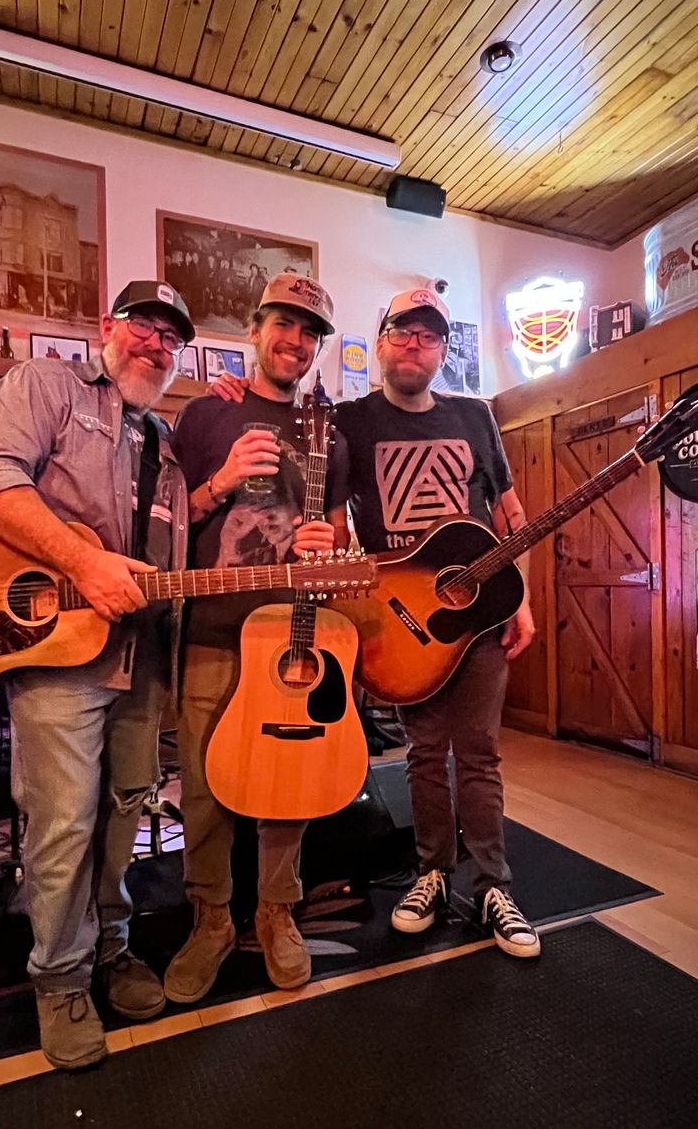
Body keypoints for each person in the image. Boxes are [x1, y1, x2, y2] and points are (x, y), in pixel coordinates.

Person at [0, 281, 194, 1070]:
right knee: (61, 823)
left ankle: (112, 947)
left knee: (126, 812)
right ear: (106, 329)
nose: (156, 345)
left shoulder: (166, 445)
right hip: (57, 657)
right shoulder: (45, 387)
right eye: (144, 327)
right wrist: (83, 562)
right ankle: (59, 979)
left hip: (140, 658)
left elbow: (168, 560)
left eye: (171, 338)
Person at [330, 288, 541, 958]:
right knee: (423, 753)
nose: (414, 345)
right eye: (402, 331)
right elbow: (336, 524)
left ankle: (492, 885)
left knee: (477, 751)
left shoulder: (477, 417)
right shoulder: (349, 422)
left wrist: (523, 598)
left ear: (444, 350)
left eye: (429, 336)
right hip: (398, 623)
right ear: (382, 338)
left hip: (478, 618)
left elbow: (511, 516)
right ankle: (431, 873)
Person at [164, 272, 343, 1003]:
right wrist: (222, 480)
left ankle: (275, 912)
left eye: (309, 331)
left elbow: (342, 532)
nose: (294, 341)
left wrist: (331, 543)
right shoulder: (206, 414)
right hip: (209, 630)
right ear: (254, 329)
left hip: (293, 635)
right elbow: (165, 519)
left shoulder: (331, 431)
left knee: (286, 781)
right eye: (283, 324)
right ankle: (210, 919)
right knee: (205, 787)